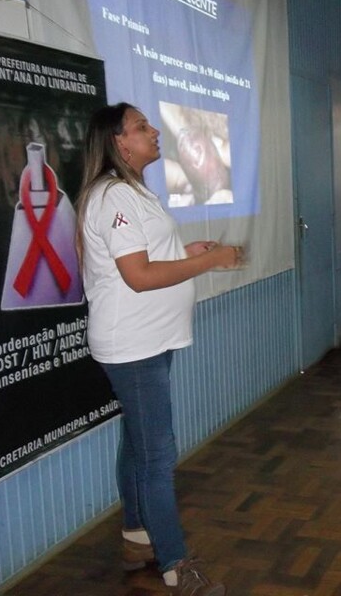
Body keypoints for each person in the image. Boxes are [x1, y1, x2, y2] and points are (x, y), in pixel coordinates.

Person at [76, 103, 234, 596]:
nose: (154, 131)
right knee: (157, 458)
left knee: (138, 443)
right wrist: (211, 262)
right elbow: (139, 277)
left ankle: (135, 538)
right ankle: (175, 565)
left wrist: (185, 254)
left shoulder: (131, 191)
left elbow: (138, 261)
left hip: (149, 338)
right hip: (134, 344)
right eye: (142, 126)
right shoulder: (113, 196)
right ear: (119, 142)